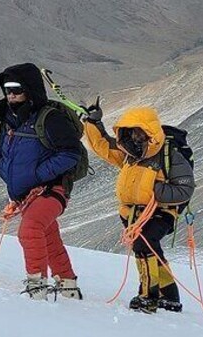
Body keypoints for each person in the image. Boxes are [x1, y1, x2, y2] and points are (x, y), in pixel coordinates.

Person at [0, 63, 83, 301]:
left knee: (30, 230)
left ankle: (37, 288)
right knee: (48, 237)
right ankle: (68, 288)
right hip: (28, 194)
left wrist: (38, 175)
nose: (11, 94)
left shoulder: (50, 118)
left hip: (51, 189)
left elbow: (70, 153)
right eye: (7, 89)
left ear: (30, 88)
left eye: (16, 88)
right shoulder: (8, 120)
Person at [82, 101, 195, 313]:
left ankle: (148, 296)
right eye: (130, 134)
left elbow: (185, 189)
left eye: (138, 134)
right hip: (132, 213)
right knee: (150, 249)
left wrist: (154, 192)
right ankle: (170, 297)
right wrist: (92, 123)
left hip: (161, 212)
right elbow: (103, 146)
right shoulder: (129, 154)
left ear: (149, 132)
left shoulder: (169, 155)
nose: (134, 139)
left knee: (144, 245)